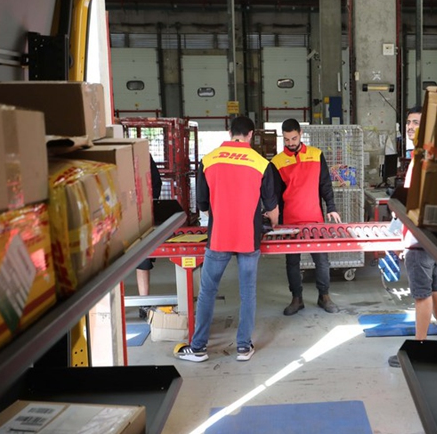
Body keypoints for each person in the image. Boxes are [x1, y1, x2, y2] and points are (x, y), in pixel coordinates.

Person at [176, 116, 279, 363]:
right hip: (248, 239)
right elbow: (272, 208)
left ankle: (198, 347)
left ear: (229, 132)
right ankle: (244, 347)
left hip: (219, 237)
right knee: (248, 293)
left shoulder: (209, 160)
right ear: (251, 135)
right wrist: (272, 223)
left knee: (208, 292)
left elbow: (201, 205)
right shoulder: (261, 163)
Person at [389, 107, 437, 369]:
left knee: (421, 296)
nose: (411, 127)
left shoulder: (421, 159)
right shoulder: (428, 156)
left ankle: (419, 348)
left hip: (418, 241)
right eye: (408, 123)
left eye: (416, 123)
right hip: (433, 239)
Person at [271, 118, 342, 315]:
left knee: (322, 261)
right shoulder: (276, 162)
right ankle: (297, 298)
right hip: (290, 221)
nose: (290, 143)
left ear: (300, 134)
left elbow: (325, 185)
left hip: (314, 218)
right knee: (292, 262)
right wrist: (275, 220)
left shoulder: (316, 155)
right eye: (286, 139)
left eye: (293, 138)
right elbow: (275, 195)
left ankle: (324, 296)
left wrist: (332, 207)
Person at [137, 154, 162, 320]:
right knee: (142, 256)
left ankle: (143, 301)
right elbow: (156, 182)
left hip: (114, 216)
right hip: (142, 213)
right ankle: (144, 303)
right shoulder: (143, 155)